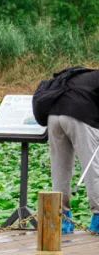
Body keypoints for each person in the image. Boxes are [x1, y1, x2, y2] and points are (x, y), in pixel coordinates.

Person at [42, 68, 99, 234]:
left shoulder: (81, 76)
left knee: (60, 169)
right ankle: (98, 218)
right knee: (93, 167)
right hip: (80, 117)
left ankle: (62, 220)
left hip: (54, 117)